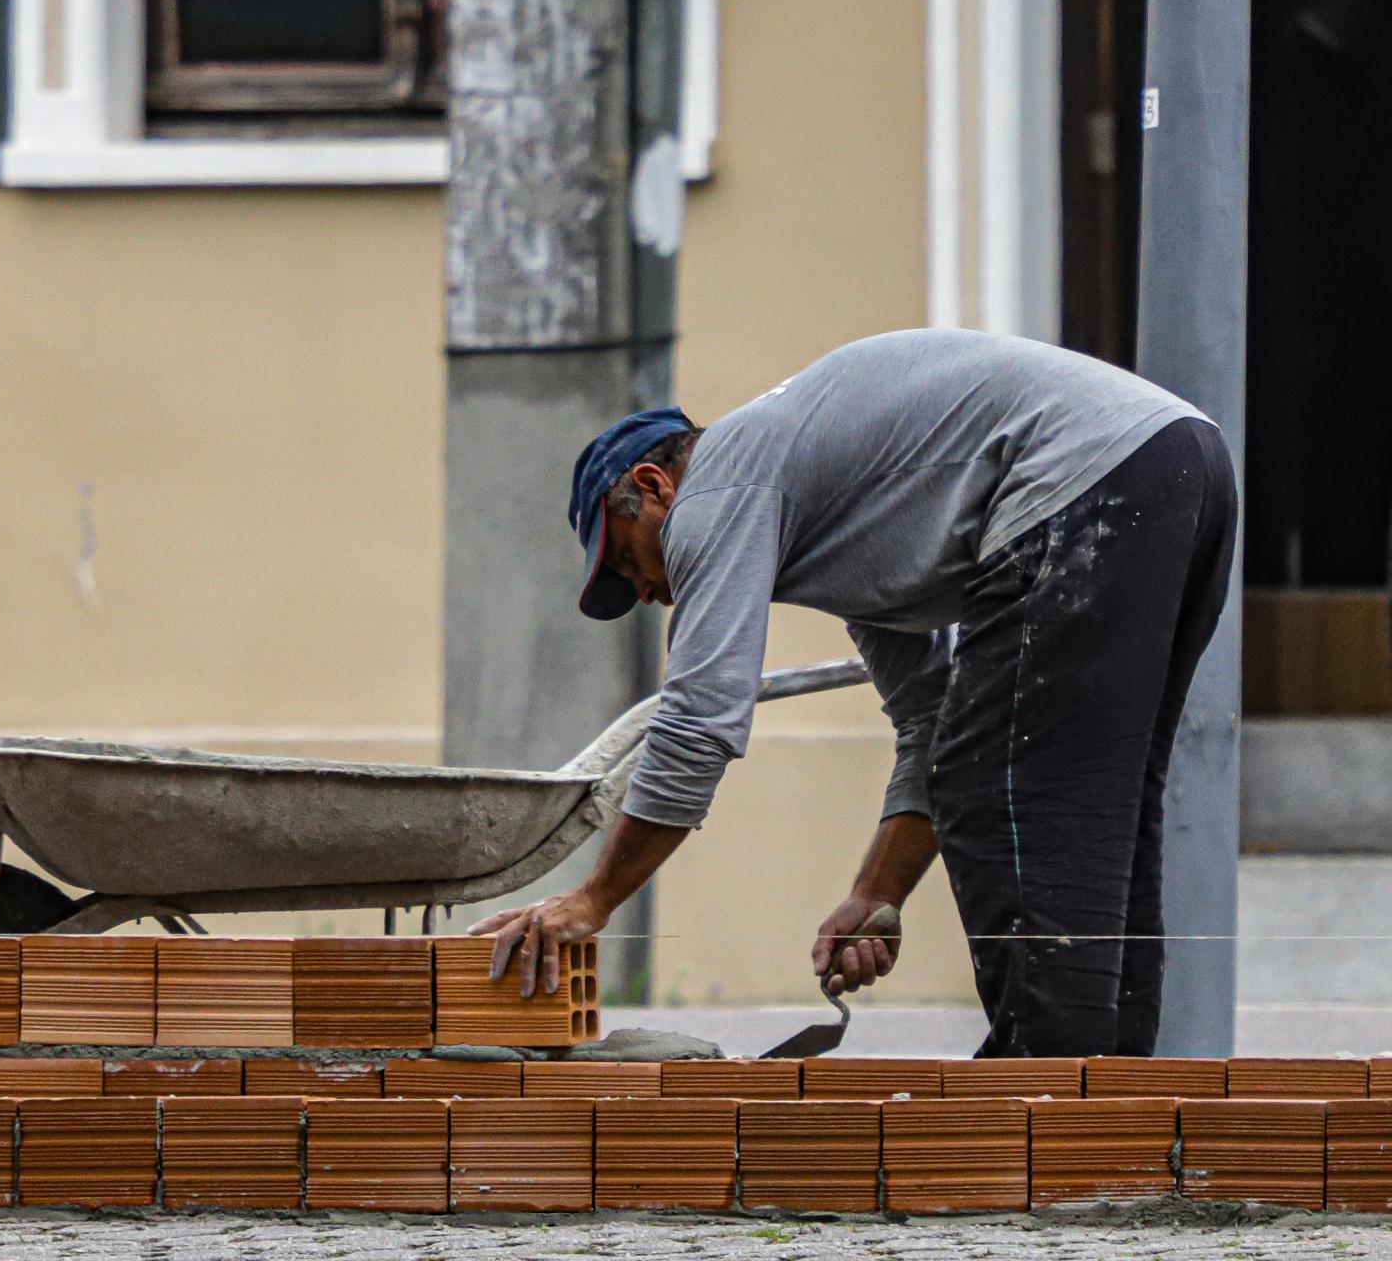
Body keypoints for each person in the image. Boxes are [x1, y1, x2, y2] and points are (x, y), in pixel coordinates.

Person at [469, 328, 1237, 1058]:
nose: (643, 594)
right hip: (1179, 462)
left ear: (653, 485)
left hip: (1089, 477)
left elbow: (698, 720)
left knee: (1011, 787)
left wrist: (593, 899)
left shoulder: (719, 490)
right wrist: (876, 893)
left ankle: (1044, 1084)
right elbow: (933, 726)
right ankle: (1115, 1088)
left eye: (627, 560)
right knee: (1094, 798)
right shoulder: (843, 522)